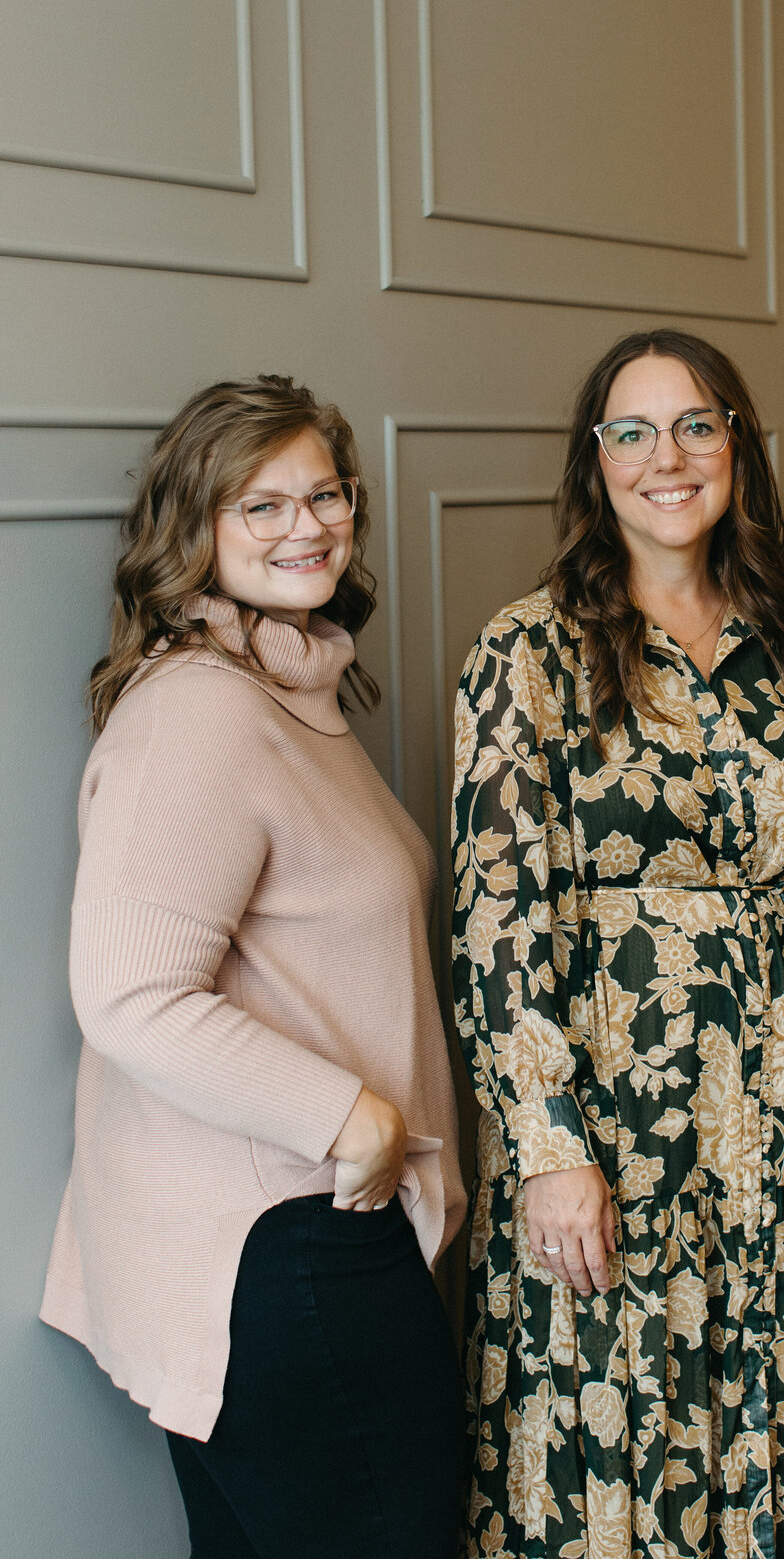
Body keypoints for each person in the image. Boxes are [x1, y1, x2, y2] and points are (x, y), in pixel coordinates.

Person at [40, 375, 467, 1559]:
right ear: (198, 527)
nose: (306, 527)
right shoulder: (201, 712)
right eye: (262, 505)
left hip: (303, 1234)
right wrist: (352, 1117)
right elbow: (129, 992)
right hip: (288, 1241)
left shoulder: (283, 688)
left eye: (325, 494)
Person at [451, 329, 784, 1559]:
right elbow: (496, 918)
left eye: (696, 426)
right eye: (631, 431)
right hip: (610, 1138)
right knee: (612, 1439)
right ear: (596, 461)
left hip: (768, 1136)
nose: (665, 457)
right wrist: (548, 1150)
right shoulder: (528, 651)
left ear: (737, 446)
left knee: (759, 1431)